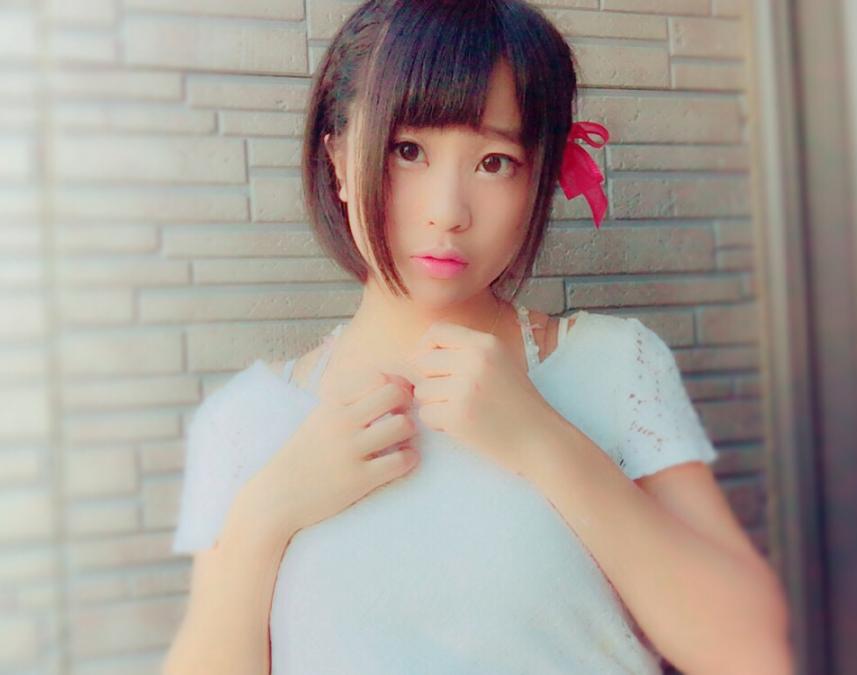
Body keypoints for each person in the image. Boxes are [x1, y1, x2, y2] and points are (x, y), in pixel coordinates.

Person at [163, 2, 793, 674]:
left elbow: (752, 652)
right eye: (408, 151)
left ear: (538, 176)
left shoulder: (614, 366)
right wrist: (266, 515)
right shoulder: (247, 422)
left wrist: (541, 438)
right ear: (339, 159)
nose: (448, 212)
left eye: (494, 162)